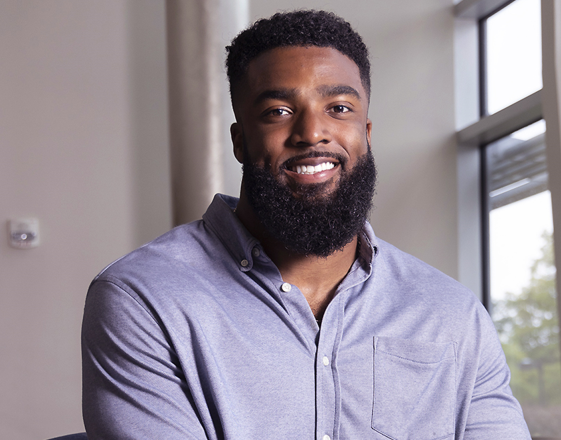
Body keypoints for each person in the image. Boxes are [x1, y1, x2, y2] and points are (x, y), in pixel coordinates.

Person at [81, 9, 531, 440]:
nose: (312, 132)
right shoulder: (143, 299)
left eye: (338, 108)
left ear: (366, 133)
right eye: (278, 111)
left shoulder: (452, 314)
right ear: (240, 141)